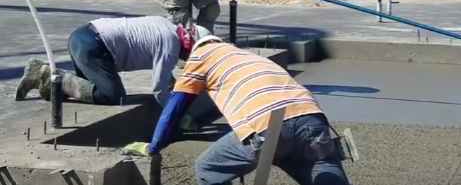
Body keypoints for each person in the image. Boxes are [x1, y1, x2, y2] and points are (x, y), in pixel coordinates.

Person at [122, 35, 351, 185]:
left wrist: (154, 146)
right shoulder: (245, 56)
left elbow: (174, 109)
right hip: (310, 118)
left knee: (209, 167)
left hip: (265, 124)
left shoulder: (202, 55)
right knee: (319, 165)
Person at [15, 15, 206, 130]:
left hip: (82, 36)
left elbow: (165, 75)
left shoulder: (167, 27)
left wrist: (175, 88)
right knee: (112, 95)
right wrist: (177, 116)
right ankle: (45, 74)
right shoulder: (170, 46)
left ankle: (46, 81)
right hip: (93, 46)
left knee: (86, 88)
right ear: (191, 45)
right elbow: (158, 88)